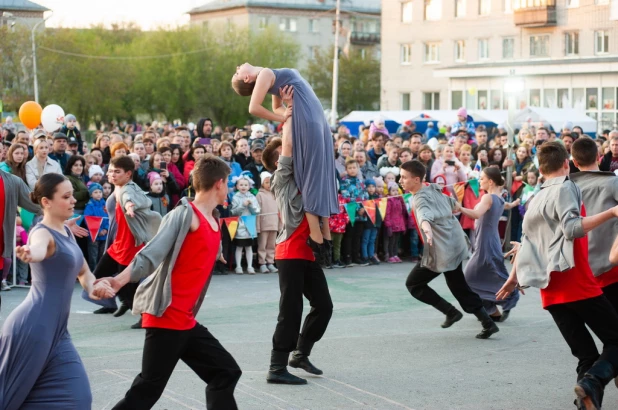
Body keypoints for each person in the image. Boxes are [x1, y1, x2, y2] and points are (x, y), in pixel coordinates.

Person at [94, 155, 242, 410]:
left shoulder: (214, 218)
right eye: (228, 183)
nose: (227, 187)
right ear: (219, 183)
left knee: (225, 372)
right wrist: (118, 281)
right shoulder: (185, 214)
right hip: (167, 318)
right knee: (147, 389)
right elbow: (151, 253)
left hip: (184, 320)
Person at [497, 142, 618, 410]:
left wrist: (513, 278)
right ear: (567, 163)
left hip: (551, 293)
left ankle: (585, 398)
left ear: (540, 169)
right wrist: (610, 212)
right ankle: (594, 383)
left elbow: (526, 240)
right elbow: (573, 228)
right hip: (576, 283)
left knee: (586, 356)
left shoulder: (535, 197)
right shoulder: (565, 187)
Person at [0, 173, 113, 409]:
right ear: (46, 202)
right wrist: (30, 253)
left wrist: (96, 288)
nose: (73, 201)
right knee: (8, 399)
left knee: (78, 399)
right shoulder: (42, 233)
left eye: (73, 195)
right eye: (67, 196)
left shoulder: (68, 232)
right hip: (32, 330)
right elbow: (38, 249)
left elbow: (84, 273)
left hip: (58, 333)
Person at [232, 64, 338, 264]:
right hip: (309, 120)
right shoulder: (264, 74)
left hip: (315, 118)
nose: (238, 67)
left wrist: (286, 109)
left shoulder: (270, 76)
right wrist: (282, 117)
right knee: (313, 177)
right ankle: (319, 240)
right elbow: (254, 108)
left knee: (319, 173)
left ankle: (324, 239)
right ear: (247, 79)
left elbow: (276, 106)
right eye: (237, 72)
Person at [261, 118, 334, 385]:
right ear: (278, 159)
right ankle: (276, 367)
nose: (291, 152)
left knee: (324, 306)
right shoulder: (279, 178)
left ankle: (300, 353)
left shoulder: (308, 177)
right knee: (290, 311)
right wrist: (291, 114)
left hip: (308, 252)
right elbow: (291, 143)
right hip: (290, 251)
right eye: (284, 152)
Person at [399, 160, 500, 339]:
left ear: (416, 179)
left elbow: (424, 214)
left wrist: (427, 230)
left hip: (441, 250)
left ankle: (451, 312)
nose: (401, 180)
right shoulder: (432, 188)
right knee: (458, 285)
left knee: (413, 284)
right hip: (453, 245)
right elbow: (452, 203)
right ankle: (487, 322)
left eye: (404, 177)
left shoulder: (420, 197)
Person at [88, 156, 162, 317]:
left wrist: (129, 206)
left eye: (117, 172)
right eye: (110, 171)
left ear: (128, 174)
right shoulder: (118, 186)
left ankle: (144, 316)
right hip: (118, 245)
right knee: (98, 275)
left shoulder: (127, 189)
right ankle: (120, 303)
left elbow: (128, 198)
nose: (112, 175)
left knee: (129, 285)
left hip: (130, 247)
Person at [456, 168, 521, 322]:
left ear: (490, 181)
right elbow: (507, 206)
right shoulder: (498, 197)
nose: (479, 181)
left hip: (485, 241)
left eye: (482, 178)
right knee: (489, 273)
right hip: (490, 240)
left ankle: (510, 296)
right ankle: (493, 311)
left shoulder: (488, 198)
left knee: (470, 278)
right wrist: (515, 203)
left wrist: (459, 208)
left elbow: (476, 214)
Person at [570, 137, 618, 312]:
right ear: (598, 156)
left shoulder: (567, 189)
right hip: (612, 268)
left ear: (574, 162)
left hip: (582, 271)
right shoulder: (613, 182)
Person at [230, 174, 260, 275]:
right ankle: (238, 266)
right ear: (237, 186)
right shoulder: (235, 197)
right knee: (239, 247)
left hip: (250, 224)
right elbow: (234, 212)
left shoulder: (252, 197)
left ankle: (250, 266)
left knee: (249, 247)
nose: (243, 187)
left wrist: (251, 206)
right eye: (241, 185)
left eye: (245, 185)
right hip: (240, 225)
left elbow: (257, 211)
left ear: (249, 186)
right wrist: (243, 205)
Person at [256, 171, 280, 273]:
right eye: (266, 182)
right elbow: (257, 212)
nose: (269, 184)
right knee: (262, 245)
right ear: (262, 183)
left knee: (271, 245)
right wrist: (257, 226)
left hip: (274, 224)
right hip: (263, 225)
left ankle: (270, 262)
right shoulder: (259, 195)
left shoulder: (276, 194)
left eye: (271, 182)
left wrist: (280, 225)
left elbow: (279, 211)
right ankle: (262, 263)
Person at [84, 182, 108, 271]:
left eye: (100, 192)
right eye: (95, 192)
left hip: (104, 235)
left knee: (102, 255)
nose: (98, 194)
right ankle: (93, 272)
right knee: (93, 255)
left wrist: (106, 229)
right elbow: (88, 220)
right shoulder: (89, 206)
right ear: (91, 194)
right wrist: (99, 230)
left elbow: (109, 217)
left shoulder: (105, 205)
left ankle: (100, 272)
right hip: (93, 235)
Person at [383, 181, 408, 263]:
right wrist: (388, 225)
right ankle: (390, 255)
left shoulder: (399, 200)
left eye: (396, 190)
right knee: (391, 241)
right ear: (389, 192)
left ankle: (395, 254)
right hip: (392, 224)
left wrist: (402, 201)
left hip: (399, 224)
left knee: (397, 241)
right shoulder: (389, 201)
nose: (395, 192)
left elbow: (403, 212)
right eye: (393, 190)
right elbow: (387, 214)